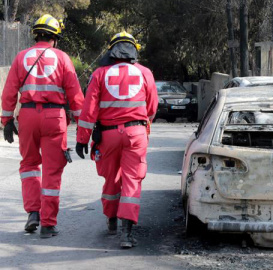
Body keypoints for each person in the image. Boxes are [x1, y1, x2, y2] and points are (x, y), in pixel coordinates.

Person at [1, 14, 84, 238]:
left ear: (35, 35)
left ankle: (33, 213)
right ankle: (48, 224)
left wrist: (6, 120)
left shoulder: (21, 57)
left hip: (27, 115)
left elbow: (9, 91)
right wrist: (85, 129)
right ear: (54, 38)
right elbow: (76, 96)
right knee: (52, 170)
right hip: (54, 117)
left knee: (28, 165)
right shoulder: (63, 58)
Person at [76, 31, 158, 248]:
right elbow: (151, 108)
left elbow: (89, 110)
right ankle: (127, 232)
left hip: (108, 135)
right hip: (136, 134)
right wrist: (142, 125)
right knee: (132, 180)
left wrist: (82, 139)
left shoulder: (99, 73)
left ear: (111, 50)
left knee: (111, 179)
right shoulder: (145, 73)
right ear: (134, 50)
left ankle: (112, 220)